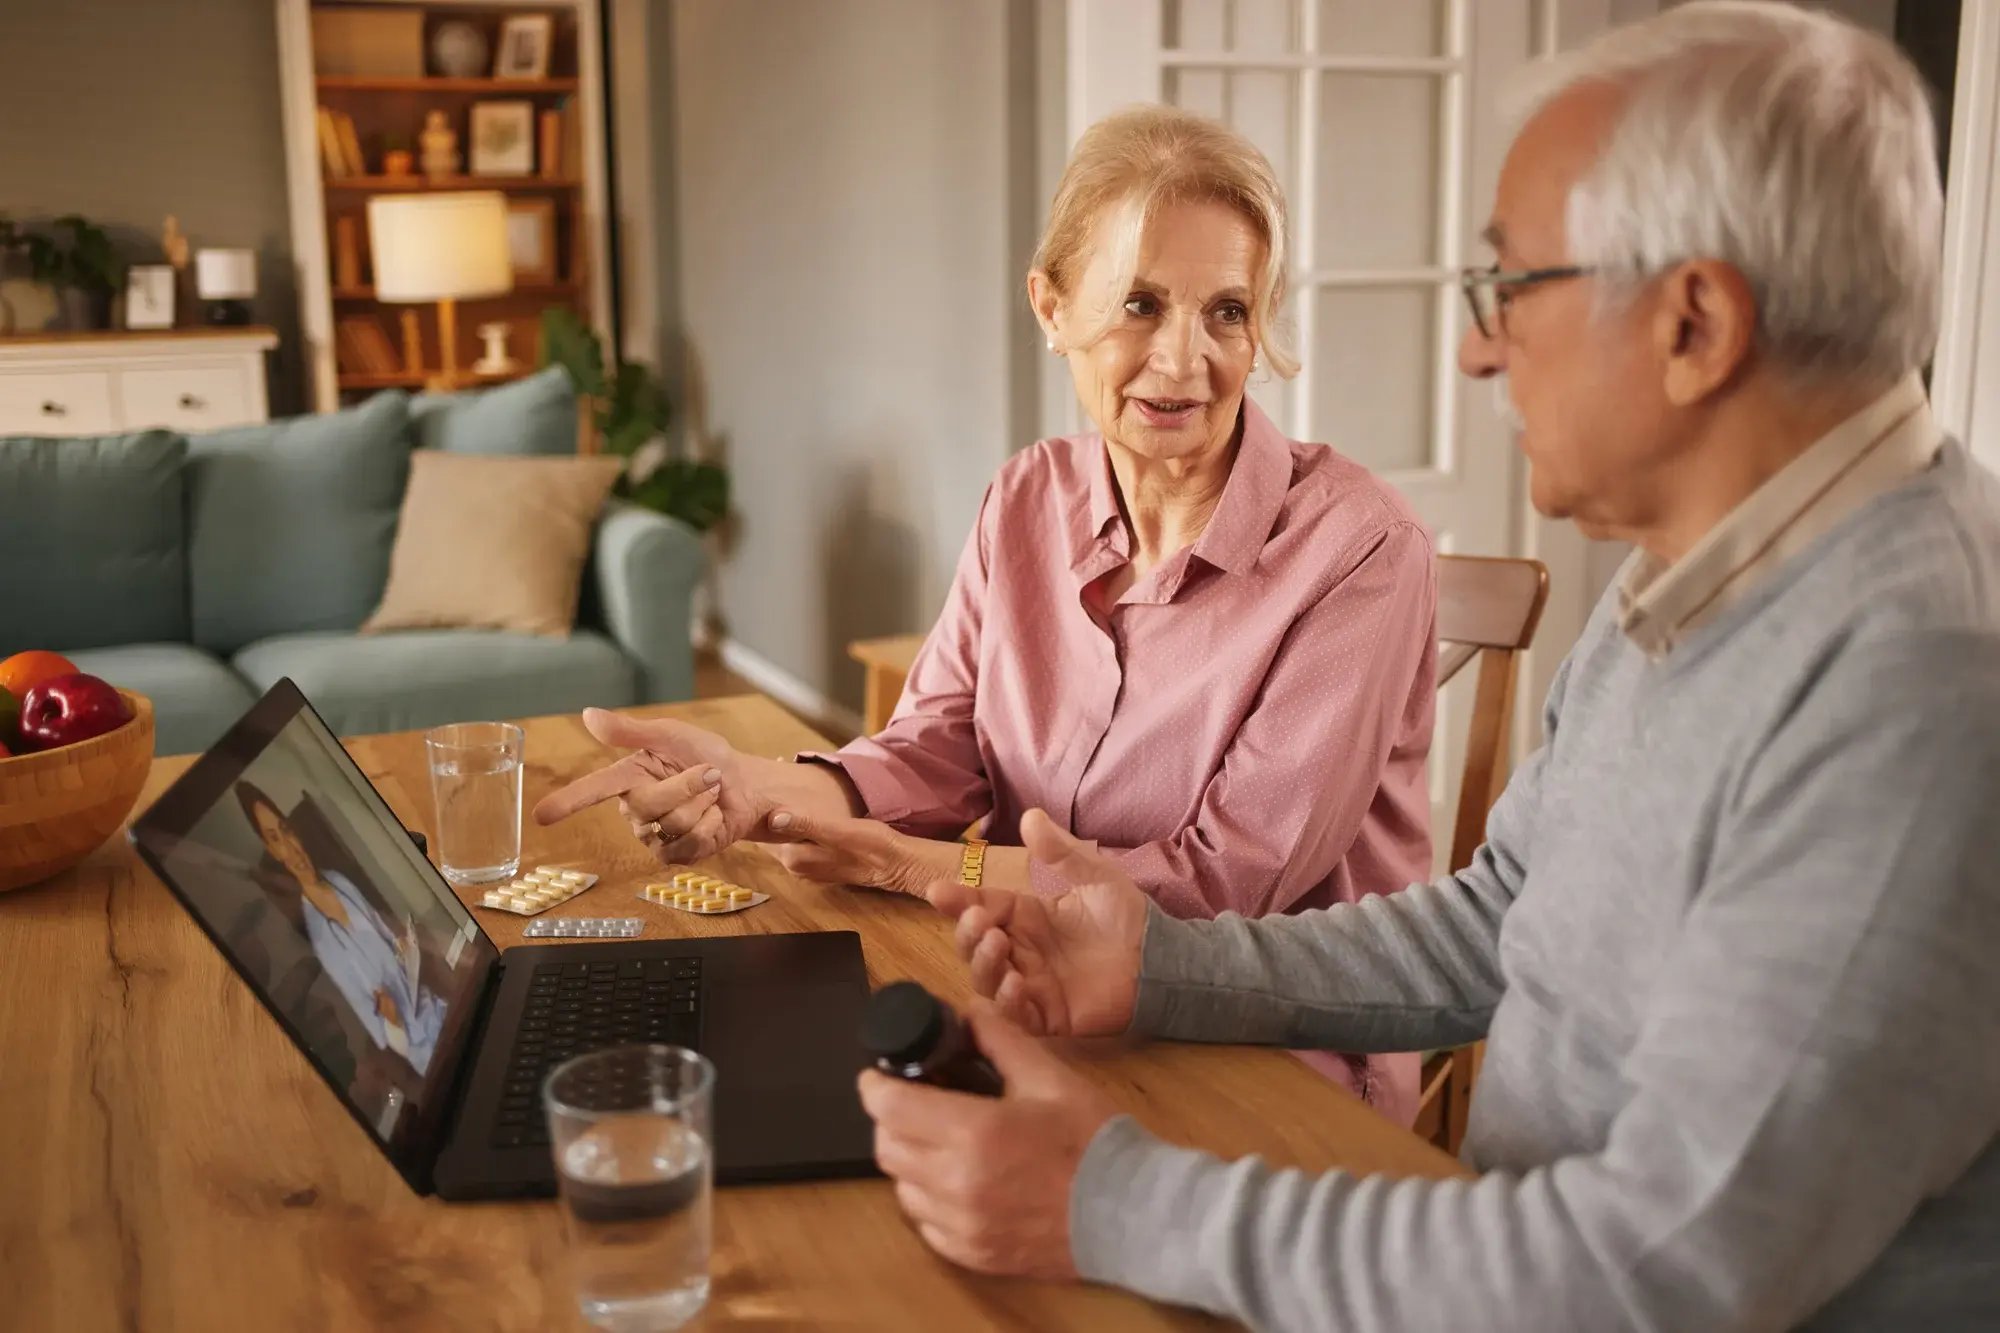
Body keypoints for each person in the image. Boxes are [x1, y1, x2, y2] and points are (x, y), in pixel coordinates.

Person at [856, 5, 2000, 1329]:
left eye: (1510, 286)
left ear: (1693, 324)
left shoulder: (1922, 687)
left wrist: (1107, 1201)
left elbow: (1661, 1267)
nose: (1476, 347)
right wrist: (1157, 965)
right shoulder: (1693, 570)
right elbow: (1502, 913)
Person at [537, 107, 1439, 1119]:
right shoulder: (1025, 498)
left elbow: (1217, 892)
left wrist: (903, 861)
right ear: (1049, 306)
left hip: (1273, 1055)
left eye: (1225, 311)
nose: (1184, 361)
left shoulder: (1360, 549)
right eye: (1138, 304)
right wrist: (758, 788)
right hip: (1037, 985)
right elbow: (939, 743)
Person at [236, 781, 445, 1078]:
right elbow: (386, 1035)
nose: (291, 846)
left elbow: (394, 944)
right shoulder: (322, 938)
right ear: (272, 850)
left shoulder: (339, 881)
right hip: (429, 1053)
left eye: (286, 829)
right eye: (275, 838)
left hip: (440, 1011)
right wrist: (392, 1021)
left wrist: (407, 946)